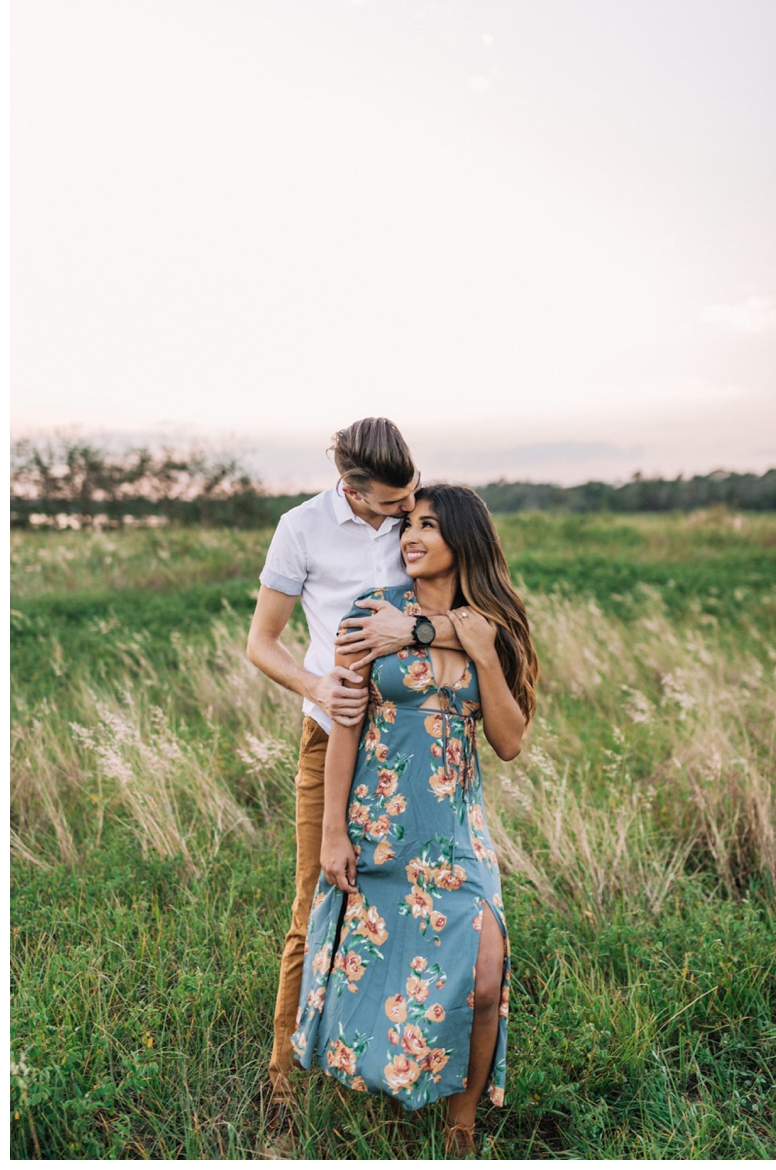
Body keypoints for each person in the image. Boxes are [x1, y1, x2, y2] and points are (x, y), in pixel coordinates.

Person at [290, 484, 538, 1155]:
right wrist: (333, 831)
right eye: (408, 525)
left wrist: (480, 649)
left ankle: (461, 1126)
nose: (411, 536)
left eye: (428, 524)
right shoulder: (372, 613)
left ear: (464, 537)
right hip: (380, 823)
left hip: (457, 831)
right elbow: (344, 727)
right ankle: (363, 1096)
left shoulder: (490, 622)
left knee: (485, 975)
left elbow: (510, 741)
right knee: (371, 963)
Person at [246, 419, 465, 1146]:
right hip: (328, 734)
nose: (404, 513)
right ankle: (281, 1083)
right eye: (390, 502)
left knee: (408, 907)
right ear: (351, 488)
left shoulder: (417, 519)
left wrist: (423, 637)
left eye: (411, 497)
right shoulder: (301, 528)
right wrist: (319, 684)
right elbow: (261, 641)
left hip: (407, 737)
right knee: (316, 901)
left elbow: (471, 608)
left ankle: (389, 1064)